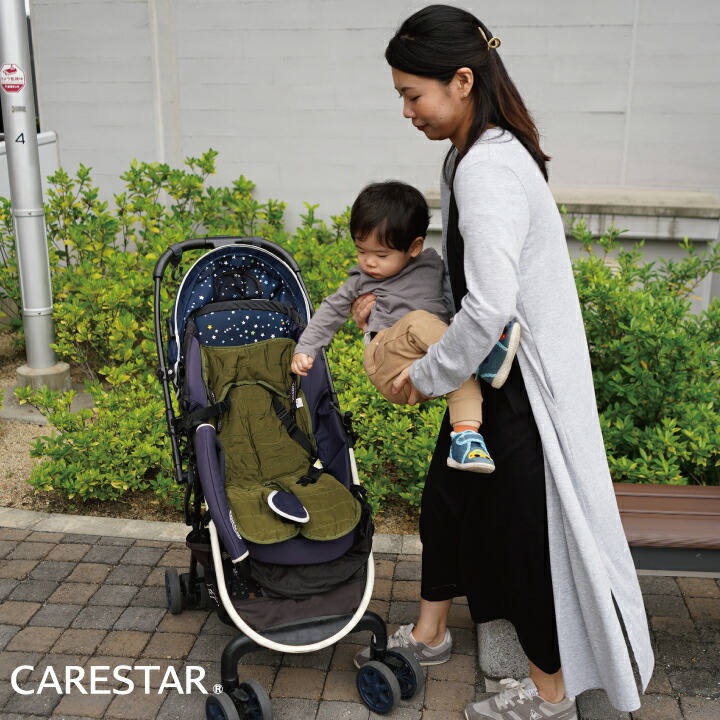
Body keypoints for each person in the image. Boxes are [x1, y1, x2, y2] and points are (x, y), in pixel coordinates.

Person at [353, 5, 654, 719]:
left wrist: (425, 375)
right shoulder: (473, 153)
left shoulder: (486, 168)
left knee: (518, 541)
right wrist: (395, 311)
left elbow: (489, 305)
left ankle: (550, 694)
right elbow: (465, 284)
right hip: (489, 374)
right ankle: (432, 633)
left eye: (412, 94)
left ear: (462, 81)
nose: (405, 110)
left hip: (517, 386)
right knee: (447, 501)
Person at [291, 180, 521, 474]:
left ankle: (466, 439)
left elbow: (454, 304)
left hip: (430, 358)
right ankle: (480, 354)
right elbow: (331, 309)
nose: (369, 262)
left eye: (381, 255)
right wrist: (307, 348)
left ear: (414, 247)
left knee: (461, 374)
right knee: (425, 326)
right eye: (361, 251)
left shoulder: (434, 267)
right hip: (385, 360)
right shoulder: (361, 280)